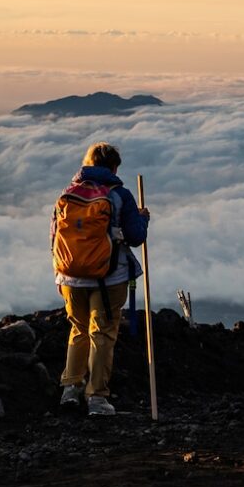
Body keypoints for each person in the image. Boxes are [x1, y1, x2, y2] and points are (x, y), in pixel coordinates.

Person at [52, 142, 149, 417]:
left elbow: (55, 237)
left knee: (78, 329)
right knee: (102, 333)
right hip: (110, 277)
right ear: (114, 167)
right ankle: (97, 398)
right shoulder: (119, 196)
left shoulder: (68, 194)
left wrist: (60, 275)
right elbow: (135, 237)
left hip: (70, 276)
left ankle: (70, 390)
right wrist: (142, 218)